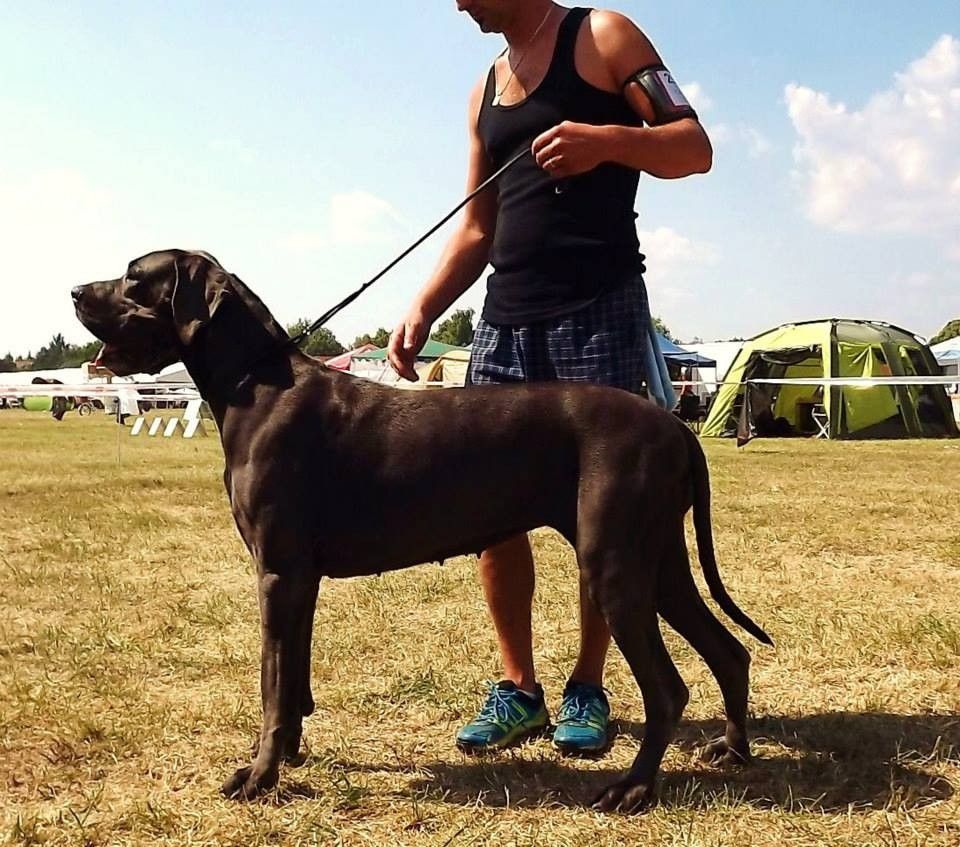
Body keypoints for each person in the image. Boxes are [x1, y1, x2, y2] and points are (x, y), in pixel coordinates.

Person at [387, 1, 712, 755]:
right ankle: (518, 687)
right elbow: (478, 225)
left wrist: (608, 141)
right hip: (505, 323)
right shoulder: (486, 87)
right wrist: (425, 307)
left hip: (597, 311)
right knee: (487, 512)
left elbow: (693, 148)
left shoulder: (603, 36)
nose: (458, 3)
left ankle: (587, 685)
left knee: (605, 517)